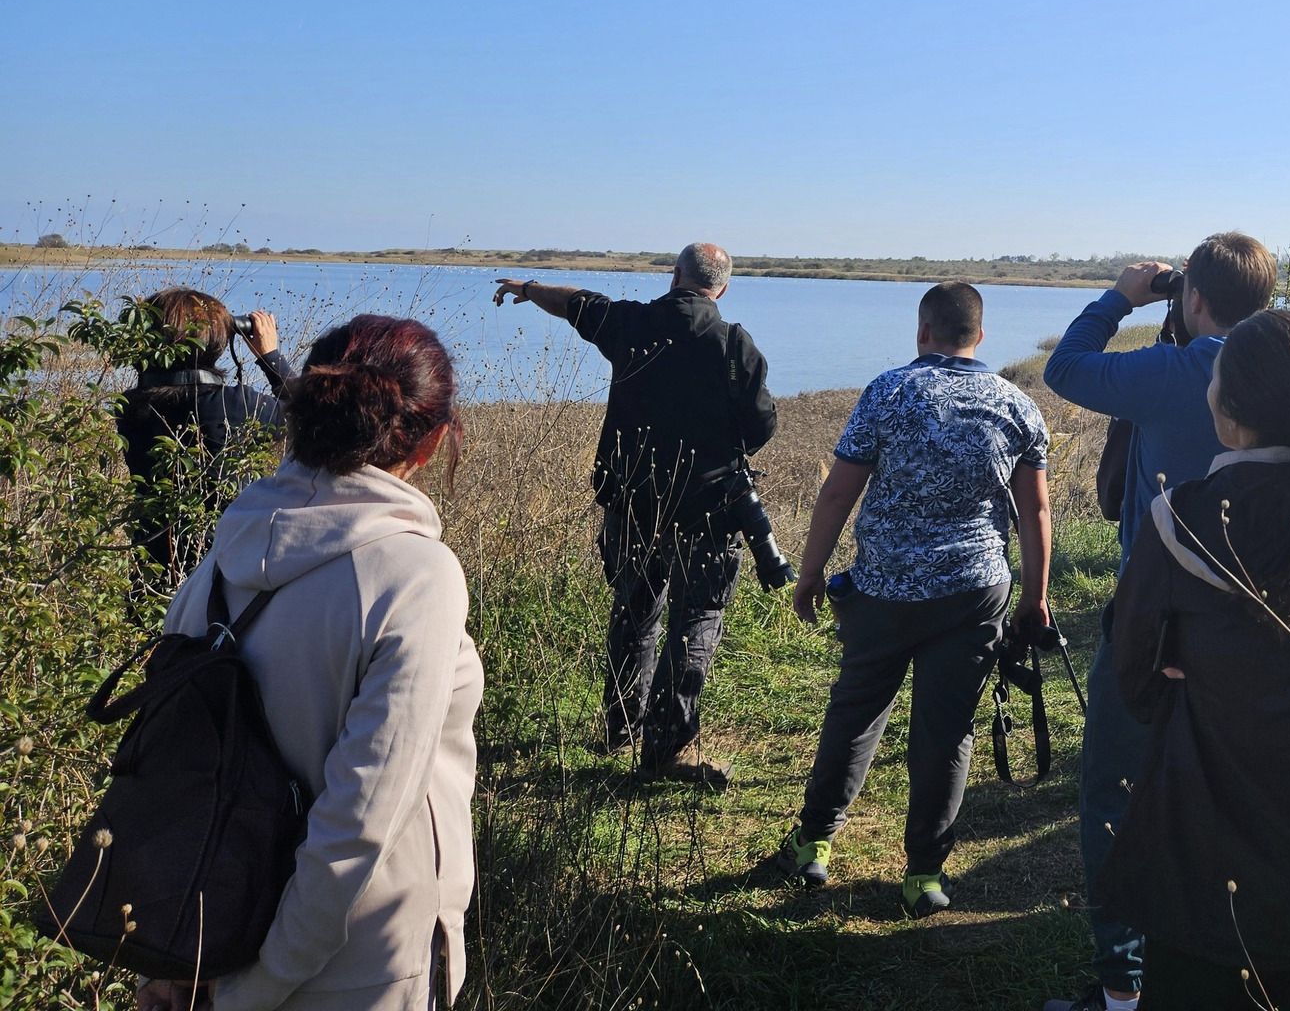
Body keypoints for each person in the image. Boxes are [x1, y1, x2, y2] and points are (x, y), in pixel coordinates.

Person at [138, 315, 481, 1011]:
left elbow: (170, 776)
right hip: (362, 969)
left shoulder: (219, 563)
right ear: (432, 440)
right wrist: (255, 989)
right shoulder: (416, 577)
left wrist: (178, 963)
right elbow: (359, 825)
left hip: (213, 943)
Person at [1096, 309, 1290, 1011]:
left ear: (1227, 412)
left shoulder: (1176, 522)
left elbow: (1134, 682)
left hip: (1203, 875)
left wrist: (1195, 673)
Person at [1040, 233, 1277, 1011]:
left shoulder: (1176, 371)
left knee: (1116, 789)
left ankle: (1124, 986)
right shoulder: (1288, 373)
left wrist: (1119, 298)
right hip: (1261, 629)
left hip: (1155, 623)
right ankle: (1222, 970)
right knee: (1226, 795)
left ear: (1194, 298)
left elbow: (1064, 369)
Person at [767, 283, 1052, 916]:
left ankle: (812, 846)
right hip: (975, 592)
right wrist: (1035, 598)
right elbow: (1034, 511)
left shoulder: (889, 392)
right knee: (947, 731)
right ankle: (924, 875)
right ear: (979, 336)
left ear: (923, 331)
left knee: (856, 713)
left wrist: (810, 573)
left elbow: (838, 493)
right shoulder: (1016, 404)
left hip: (884, 591)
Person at [493, 243, 776, 783]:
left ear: (675, 275)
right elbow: (761, 425)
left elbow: (576, 302)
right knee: (695, 620)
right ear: (723, 288)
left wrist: (527, 289)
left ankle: (621, 727)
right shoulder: (733, 344)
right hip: (707, 512)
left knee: (634, 611)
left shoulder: (631, 324)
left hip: (630, 503)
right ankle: (664, 749)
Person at [114, 287, 293, 589]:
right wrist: (270, 356)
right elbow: (308, 415)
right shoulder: (235, 405)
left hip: (152, 576)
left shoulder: (130, 407)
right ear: (215, 340)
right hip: (224, 574)